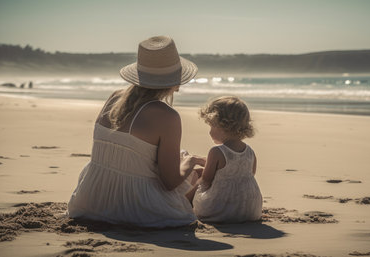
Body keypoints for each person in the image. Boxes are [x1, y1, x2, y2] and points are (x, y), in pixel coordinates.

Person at [67, 36, 205, 228]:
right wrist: (190, 161)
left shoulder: (115, 98)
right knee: (198, 174)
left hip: (90, 200)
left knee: (183, 164)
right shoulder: (167, 116)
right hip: (137, 209)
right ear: (174, 79)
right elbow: (169, 182)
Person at [187, 96, 263, 223]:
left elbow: (206, 181)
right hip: (250, 209)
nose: (209, 132)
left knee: (199, 175)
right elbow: (249, 175)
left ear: (222, 125)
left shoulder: (217, 151)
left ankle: (185, 202)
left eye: (211, 127)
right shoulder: (250, 152)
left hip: (219, 210)